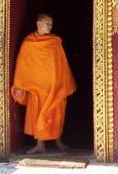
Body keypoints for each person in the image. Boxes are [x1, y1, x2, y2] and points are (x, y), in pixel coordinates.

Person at [11, 13, 76, 154]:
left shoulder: (54, 41)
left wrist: (63, 82)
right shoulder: (28, 42)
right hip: (37, 88)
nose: (50, 26)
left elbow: (61, 63)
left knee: (56, 113)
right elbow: (23, 65)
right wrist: (20, 85)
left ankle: (58, 140)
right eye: (48, 23)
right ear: (38, 24)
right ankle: (40, 145)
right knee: (37, 113)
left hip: (54, 87)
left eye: (51, 24)